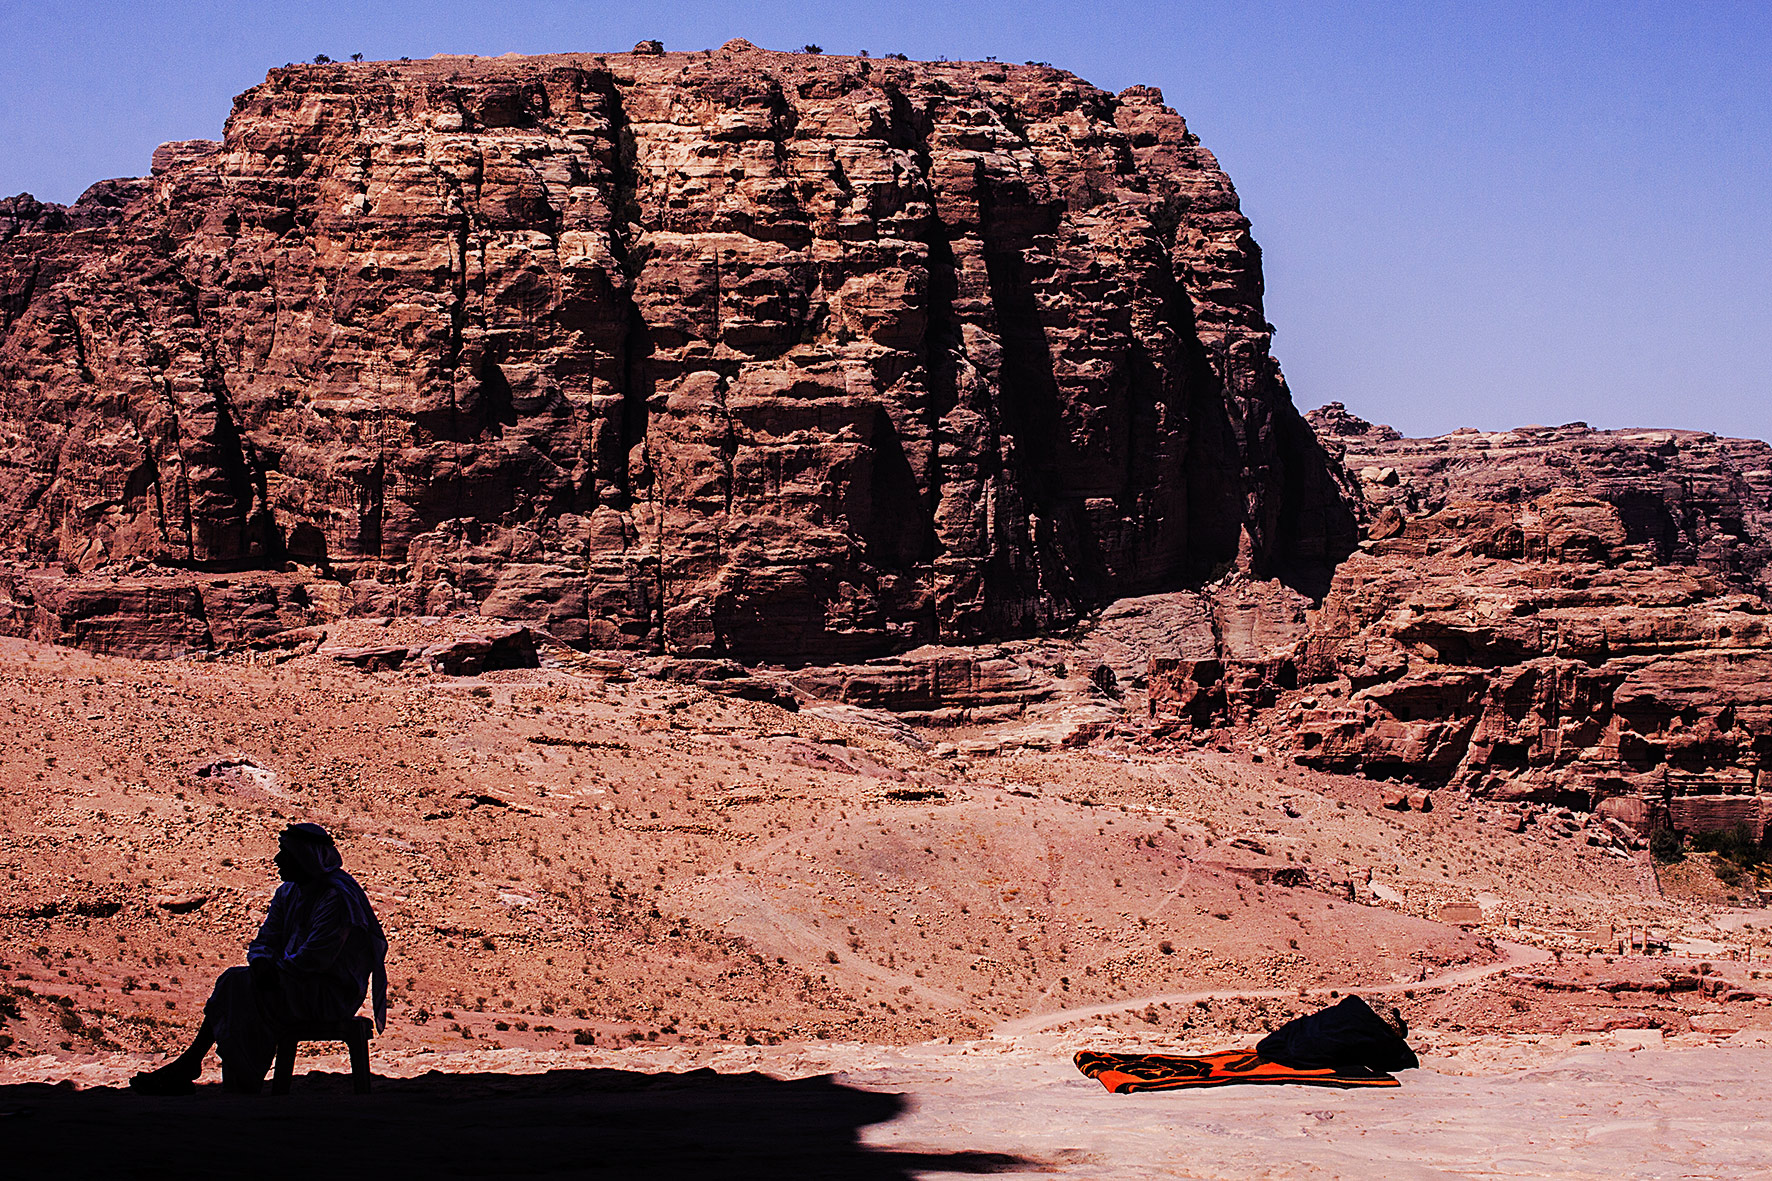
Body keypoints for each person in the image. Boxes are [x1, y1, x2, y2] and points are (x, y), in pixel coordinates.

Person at [131, 823, 388, 1095]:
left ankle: (195, 1066)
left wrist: (273, 972)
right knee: (239, 984)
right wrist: (261, 962)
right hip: (293, 983)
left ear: (304, 857)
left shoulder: (337, 896)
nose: (277, 860)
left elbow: (315, 959)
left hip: (330, 992)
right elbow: (266, 939)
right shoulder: (288, 893)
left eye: (284, 854)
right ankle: (201, 1067)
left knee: (236, 983)